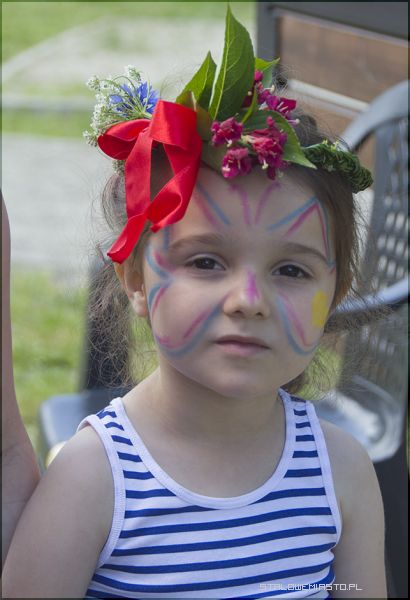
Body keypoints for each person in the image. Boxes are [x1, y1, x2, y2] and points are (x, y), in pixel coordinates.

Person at [2, 7, 386, 599]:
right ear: (136, 280)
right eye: (206, 262)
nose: (249, 301)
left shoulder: (342, 473)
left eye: (290, 270)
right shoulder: (94, 480)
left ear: (333, 294)